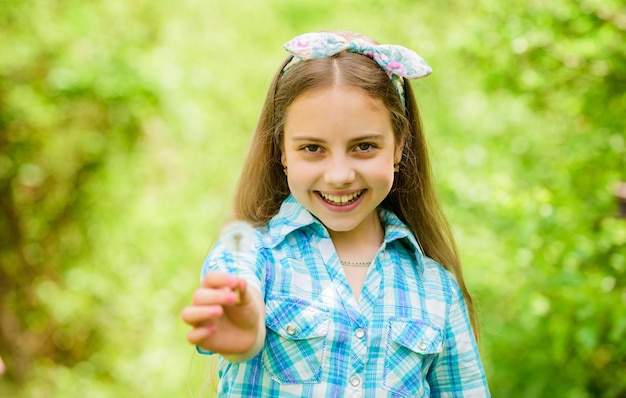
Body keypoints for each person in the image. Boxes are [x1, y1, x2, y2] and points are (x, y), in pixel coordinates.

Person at [181, 31, 490, 397]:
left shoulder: (436, 288)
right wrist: (244, 334)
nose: (340, 175)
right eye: (313, 148)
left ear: (399, 147)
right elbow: (237, 310)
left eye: (364, 146)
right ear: (281, 151)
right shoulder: (251, 256)